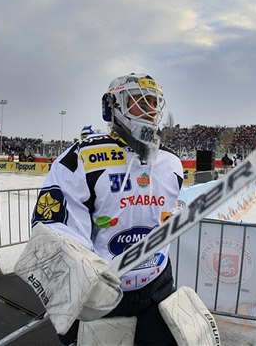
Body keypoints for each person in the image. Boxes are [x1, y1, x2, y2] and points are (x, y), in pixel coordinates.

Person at [17, 73, 184, 345]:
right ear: (113, 106)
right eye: (138, 103)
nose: (149, 112)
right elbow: (55, 224)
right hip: (101, 294)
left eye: (153, 104)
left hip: (156, 285)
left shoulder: (171, 163)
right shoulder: (82, 157)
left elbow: (164, 213)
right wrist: (83, 279)